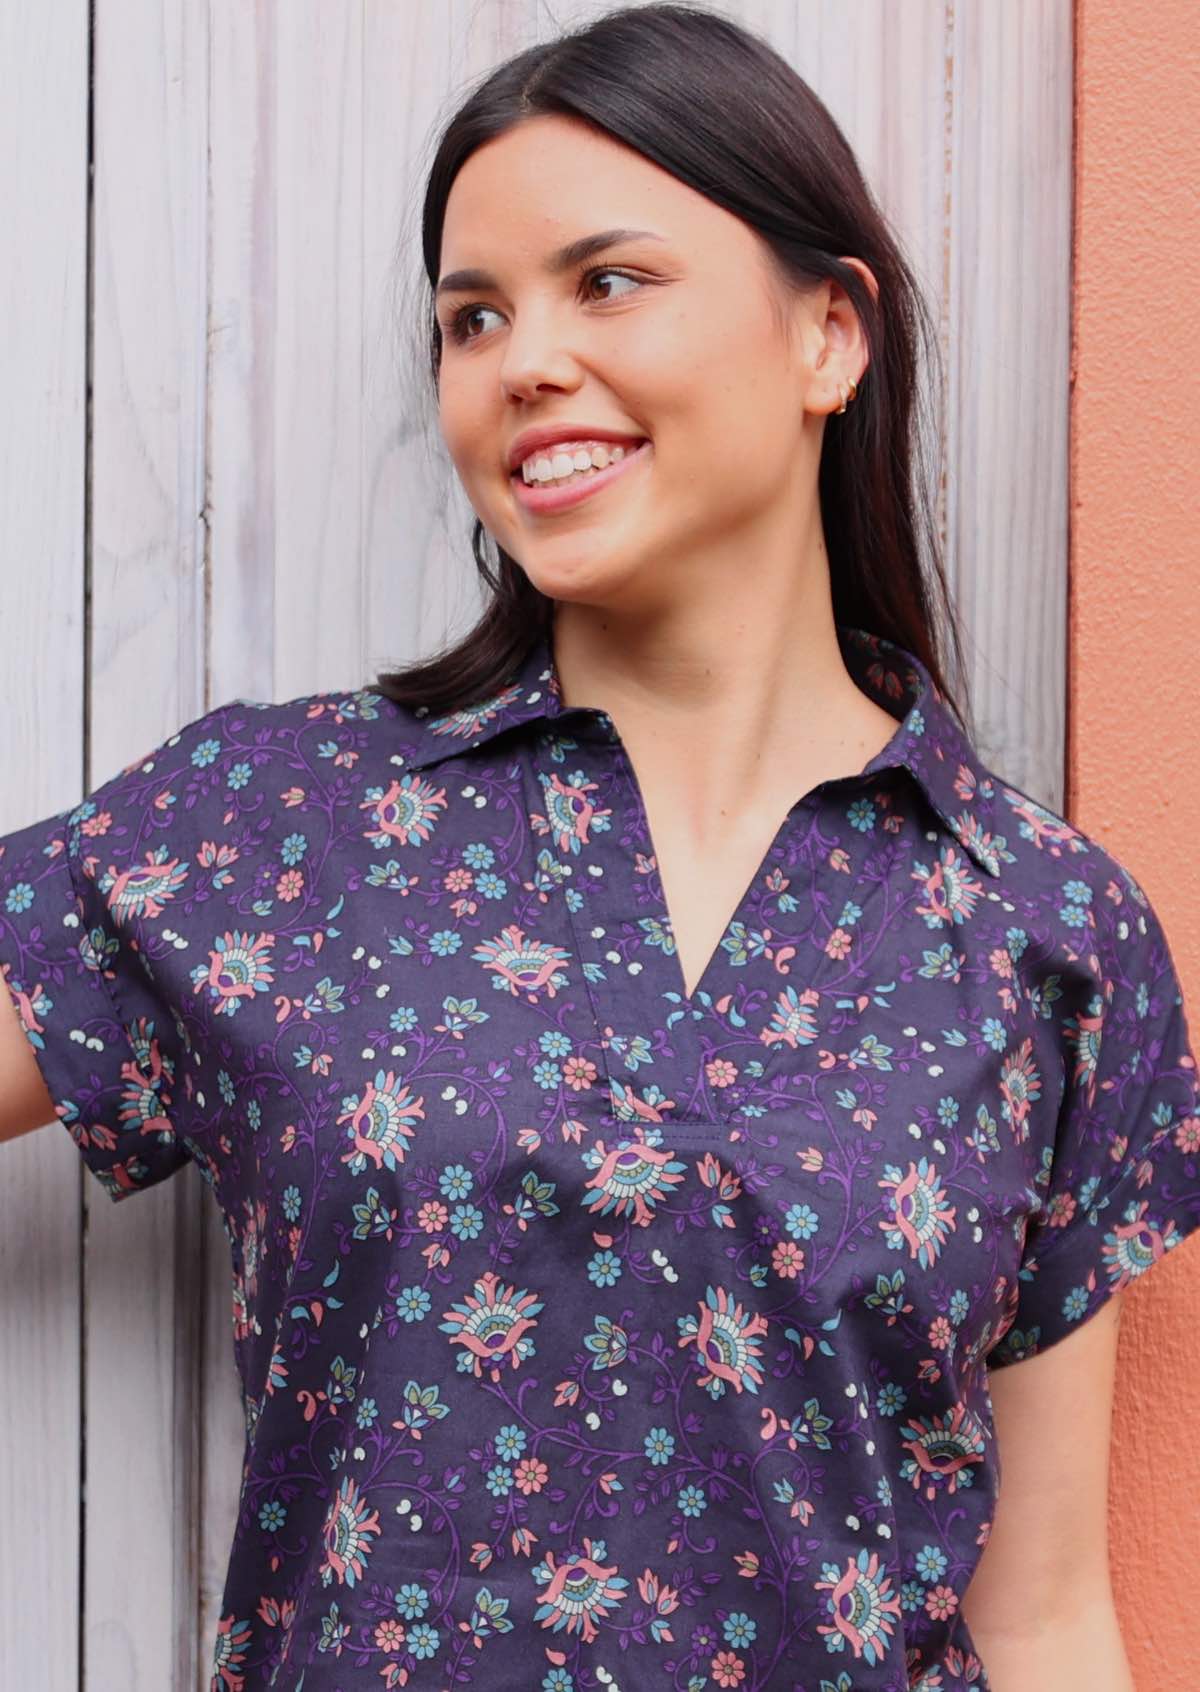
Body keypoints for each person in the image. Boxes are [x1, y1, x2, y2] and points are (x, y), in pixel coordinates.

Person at [1, 4, 1196, 1687]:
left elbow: (1049, 1609)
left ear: (828, 336)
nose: (522, 359)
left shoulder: (1046, 929)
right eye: (471, 316)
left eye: (605, 282)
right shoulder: (289, 825)